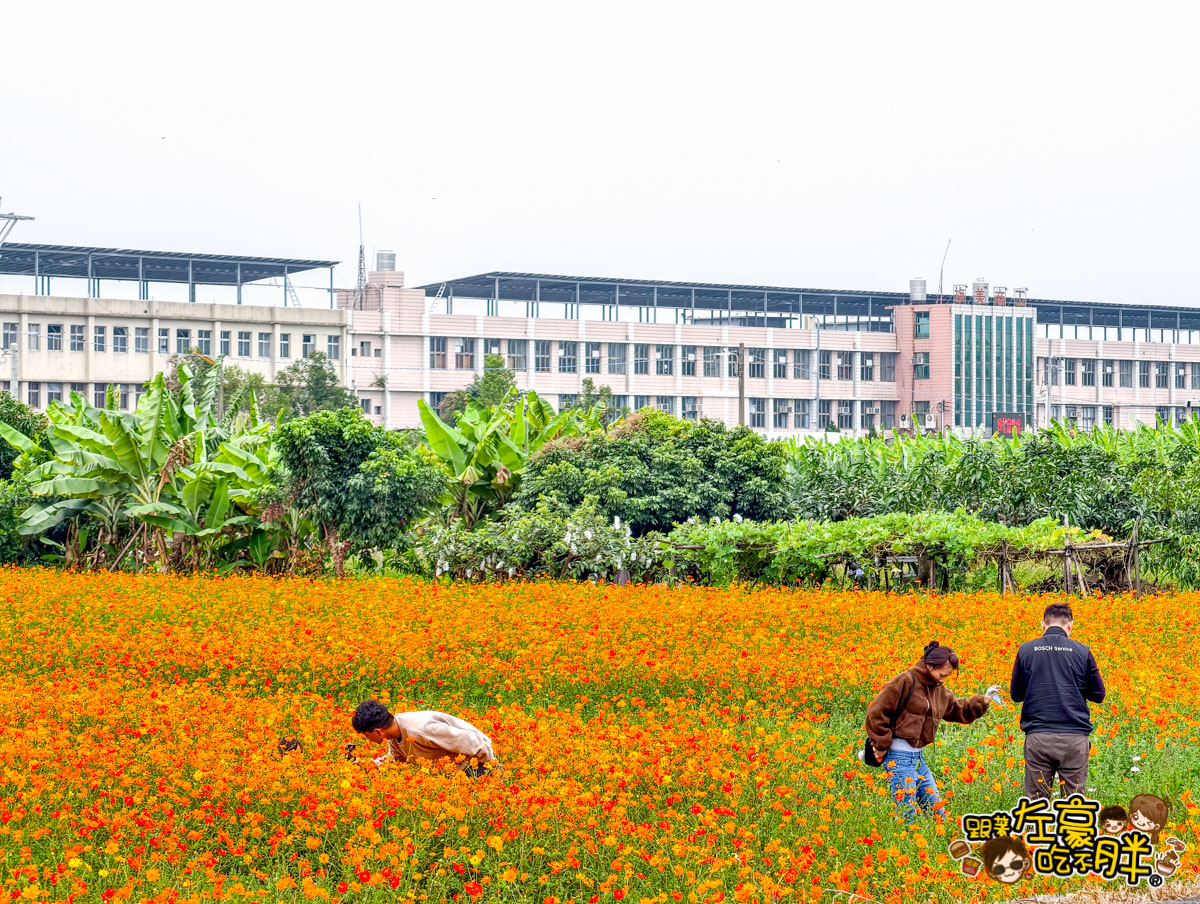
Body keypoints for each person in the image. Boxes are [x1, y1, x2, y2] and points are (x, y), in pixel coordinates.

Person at [865, 641, 996, 821]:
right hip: (898, 758)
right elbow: (877, 713)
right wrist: (881, 744)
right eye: (942, 674)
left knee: (938, 814)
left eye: (946, 676)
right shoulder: (905, 681)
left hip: (918, 759)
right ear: (929, 666)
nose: (942, 680)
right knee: (907, 816)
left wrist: (983, 701)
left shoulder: (939, 690)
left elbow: (957, 710)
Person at [1009, 603, 1105, 800]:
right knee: (1073, 803)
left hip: (1038, 737)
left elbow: (1016, 695)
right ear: (1070, 625)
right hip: (1074, 739)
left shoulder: (1026, 650)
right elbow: (1098, 695)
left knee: (1036, 803)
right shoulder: (1082, 651)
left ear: (1043, 625)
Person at [351, 700, 497, 777]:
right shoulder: (395, 734)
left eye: (366, 735)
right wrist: (367, 764)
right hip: (457, 776)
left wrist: (492, 771)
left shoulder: (422, 729)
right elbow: (396, 759)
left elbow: (473, 742)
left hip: (478, 769)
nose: (367, 739)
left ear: (378, 732)